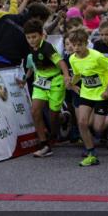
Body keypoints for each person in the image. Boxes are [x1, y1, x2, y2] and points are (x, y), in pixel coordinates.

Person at [67, 26, 108, 168]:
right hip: (86, 93)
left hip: (101, 94)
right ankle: (91, 153)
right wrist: (72, 82)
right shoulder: (72, 59)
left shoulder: (97, 56)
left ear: (86, 43)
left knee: (98, 128)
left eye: (79, 45)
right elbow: (78, 74)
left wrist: (107, 89)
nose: (76, 48)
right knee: (82, 122)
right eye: (73, 45)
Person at [23, 19, 71, 158]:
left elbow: (61, 62)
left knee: (53, 116)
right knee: (35, 111)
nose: (31, 40)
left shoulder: (48, 47)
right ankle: (45, 144)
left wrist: (66, 75)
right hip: (40, 82)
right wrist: (25, 79)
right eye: (28, 37)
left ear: (41, 35)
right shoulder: (31, 48)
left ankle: (63, 120)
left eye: (34, 37)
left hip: (55, 82)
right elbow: (33, 66)